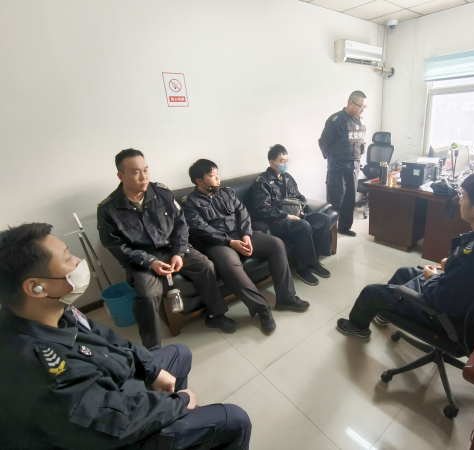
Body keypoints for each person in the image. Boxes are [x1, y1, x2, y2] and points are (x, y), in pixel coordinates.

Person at [0, 223, 251, 450]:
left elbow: (110, 341)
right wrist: (177, 402)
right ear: (36, 287)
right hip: (115, 435)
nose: (78, 261)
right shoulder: (42, 368)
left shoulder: (56, 309)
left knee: (179, 353)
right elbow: (113, 424)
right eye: (67, 258)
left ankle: (182, 423)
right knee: (234, 419)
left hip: (111, 387)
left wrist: (153, 371)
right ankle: (175, 421)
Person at [337, 169, 474, 338]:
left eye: (463, 196)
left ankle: (357, 327)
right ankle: (388, 311)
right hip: (464, 300)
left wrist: (431, 277)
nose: (459, 199)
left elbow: (442, 299)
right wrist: (452, 266)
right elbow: (465, 277)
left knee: (371, 292)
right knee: (404, 272)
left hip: (443, 315)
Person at [98, 149, 236, 349]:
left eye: (146, 170)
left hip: (172, 248)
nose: (144, 177)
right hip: (141, 260)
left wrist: (179, 252)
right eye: (136, 172)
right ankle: (153, 348)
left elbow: (181, 225)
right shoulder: (108, 209)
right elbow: (116, 245)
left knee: (205, 265)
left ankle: (216, 315)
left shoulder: (161, 192)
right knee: (147, 294)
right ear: (121, 176)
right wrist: (150, 262)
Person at [182, 159, 309, 334]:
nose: (218, 178)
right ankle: (261, 308)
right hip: (218, 243)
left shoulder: (226, 192)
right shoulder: (190, 203)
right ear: (199, 181)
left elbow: (242, 212)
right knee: (229, 264)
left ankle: (286, 298)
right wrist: (230, 242)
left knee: (276, 244)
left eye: (217, 174)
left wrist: (246, 234)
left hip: (240, 234)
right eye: (212, 175)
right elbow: (202, 229)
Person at [251, 145, 332, 286]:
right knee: (303, 226)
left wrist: (301, 208)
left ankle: (314, 261)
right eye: (282, 161)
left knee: (324, 219)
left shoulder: (287, 177)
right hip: (276, 221)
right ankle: (302, 267)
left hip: (295, 215)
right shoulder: (262, 182)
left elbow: (300, 197)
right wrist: (286, 215)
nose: (285, 164)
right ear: (271, 162)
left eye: (287, 160)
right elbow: (262, 209)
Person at [318, 90, 368, 237]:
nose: (362, 110)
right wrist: (333, 159)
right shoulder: (336, 120)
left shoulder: (360, 120)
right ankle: (330, 232)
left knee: (350, 199)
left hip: (354, 167)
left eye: (364, 107)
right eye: (360, 106)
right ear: (350, 103)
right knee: (335, 201)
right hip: (338, 167)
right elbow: (323, 142)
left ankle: (344, 227)